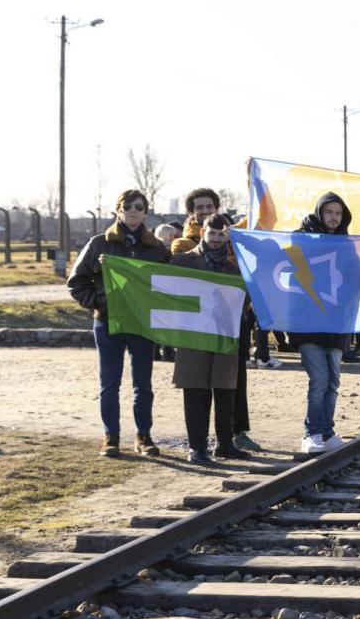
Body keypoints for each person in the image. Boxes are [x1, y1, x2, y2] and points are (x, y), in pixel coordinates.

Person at [68, 189, 172, 458]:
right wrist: (101, 303)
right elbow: (76, 283)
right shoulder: (99, 243)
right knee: (110, 383)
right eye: (127, 206)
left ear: (146, 212)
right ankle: (110, 437)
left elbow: (169, 285)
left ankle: (144, 436)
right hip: (108, 322)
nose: (133, 210)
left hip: (141, 323)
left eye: (138, 206)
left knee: (143, 384)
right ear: (118, 210)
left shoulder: (156, 248)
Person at [167, 214, 250, 463]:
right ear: (202, 233)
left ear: (227, 236)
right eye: (211, 233)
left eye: (221, 234)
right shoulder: (182, 262)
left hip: (224, 335)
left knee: (225, 392)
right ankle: (198, 448)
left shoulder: (234, 269)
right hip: (192, 335)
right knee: (195, 392)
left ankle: (225, 444)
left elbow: (244, 301)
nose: (216, 238)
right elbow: (165, 290)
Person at [286, 192, 357, 454]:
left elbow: (355, 275)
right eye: (329, 212)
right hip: (308, 321)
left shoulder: (346, 243)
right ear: (320, 212)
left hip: (336, 322)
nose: (334, 218)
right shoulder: (301, 238)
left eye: (338, 213)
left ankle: (327, 432)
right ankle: (311, 433)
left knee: (333, 382)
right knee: (319, 379)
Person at [168, 188, 221, 255]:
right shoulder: (181, 244)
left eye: (209, 206)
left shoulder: (231, 239)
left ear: (216, 210)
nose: (205, 211)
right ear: (191, 213)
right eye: (200, 207)